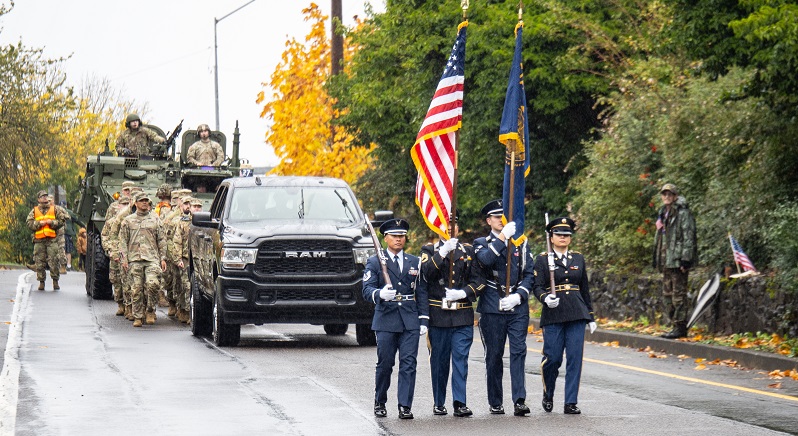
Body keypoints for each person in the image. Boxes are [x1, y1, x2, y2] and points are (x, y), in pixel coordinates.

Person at [472, 199, 534, 416]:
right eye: (497, 217)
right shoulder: (481, 242)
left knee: (518, 352)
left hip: (517, 308)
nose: (501, 219)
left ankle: (519, 400)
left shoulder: (521, 243)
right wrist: (502, 238)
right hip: (492, 307)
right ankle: (496, 401)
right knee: (494, 355)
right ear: (489, 220)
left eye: (504, 216)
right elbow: (486, 260)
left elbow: (529, 274)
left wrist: (519, 295)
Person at [362, 218, 428, 419]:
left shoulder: (414, 262)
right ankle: (380, 400)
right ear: (385, 238)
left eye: (402, 236)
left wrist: (423, 318)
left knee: (409, 363)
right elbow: (366, 289)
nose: (399, 239)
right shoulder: (375, 262)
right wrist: (380, 294)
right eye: (395, 236)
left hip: (409, 319)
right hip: (386, 319)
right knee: (385, 363)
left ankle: (405, 405)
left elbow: (422, 291)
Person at [419, 219, 485, 417]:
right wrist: (442, 253)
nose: (449, 229)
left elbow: (479, 281)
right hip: (438, 316)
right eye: (444, 225)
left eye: (453, 225)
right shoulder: (429, 250)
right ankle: (439, 402)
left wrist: (464, 293)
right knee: (439, 362)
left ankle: (460, 402)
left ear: (458, 228)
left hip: (462, 314)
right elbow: (425, 275)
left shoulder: (468, 251)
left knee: (460, 360)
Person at [532, 217, 596, 415]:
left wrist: (591, 316)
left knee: (575, 359)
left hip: (577, 312)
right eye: (559, 235)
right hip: (554, 312)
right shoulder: (543, 259)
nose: (563, 238)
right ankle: (548, 392)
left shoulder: (578, 258)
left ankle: (570, 402)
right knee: (553, 359)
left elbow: (584, 288)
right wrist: (545, 298)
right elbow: (537, 286)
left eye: (566, 235)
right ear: (551, 237)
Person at [653, 183, 697, 339]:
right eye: (664, 194)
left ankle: (680, 327)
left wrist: (686, 259)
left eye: (669, 194)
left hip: (678, 261)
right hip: (666, 261)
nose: (666, 196)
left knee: (678, 295)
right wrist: (657, 258)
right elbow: (660, 238)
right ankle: (674, 325)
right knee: (667, 295)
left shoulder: (683, 213)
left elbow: (688, 236)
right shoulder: (663, 213)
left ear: (675, 196)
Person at [119, 192, 167, 327]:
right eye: (142, 201)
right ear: (136, 203)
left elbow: (162, 240)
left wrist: (163, 258)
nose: (145, 203)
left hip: (152, 259)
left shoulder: (155, 220)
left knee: (153, 285)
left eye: (146, 201)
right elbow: (122, 241)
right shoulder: (127, 221)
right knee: (136, 289)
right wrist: (124, 259)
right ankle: (138, 316)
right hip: (134, 259)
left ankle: (150, 310)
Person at [26, 190, 67, 290]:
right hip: (39, 240)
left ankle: (55, 281)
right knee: (39, 262)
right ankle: (41, 282)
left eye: (46, 196)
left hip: (52, 240)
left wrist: (52, 222)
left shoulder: (55, 209)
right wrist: (39, 224)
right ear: (38, 199)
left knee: (54, 260)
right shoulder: (34, 211)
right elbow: (29, 223)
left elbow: (62, 220)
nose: (44, 198)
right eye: (42, 196)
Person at [171, 196, 194, 323]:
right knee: (186, 285)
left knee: (191, 287)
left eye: (195, 206)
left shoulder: (201, 222)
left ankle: (190, 312)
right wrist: (178, 258)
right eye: (186, 204)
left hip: (197, 258)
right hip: (185, 258)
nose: (189, 207)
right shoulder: (182, 222)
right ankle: (185, 310)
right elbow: (177, 241)